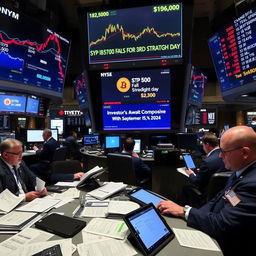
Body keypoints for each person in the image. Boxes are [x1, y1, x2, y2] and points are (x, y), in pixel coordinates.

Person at [157, 126, 256, 255]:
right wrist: (190, 215)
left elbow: (222, 225)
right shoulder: (240, 171)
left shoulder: (252, 184)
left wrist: (184, 211)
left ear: (244, 153)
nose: (220, 155)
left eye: (225, 151)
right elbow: (218, 198)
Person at [183, 132, 228, 206]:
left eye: (203, 145)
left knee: (186, 188)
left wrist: (190, 174)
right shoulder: (226, 155)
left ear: (207, 144)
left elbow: (197, 182)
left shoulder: (207, 161)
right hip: (223, 193)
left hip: (208, 195)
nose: (203, 148)